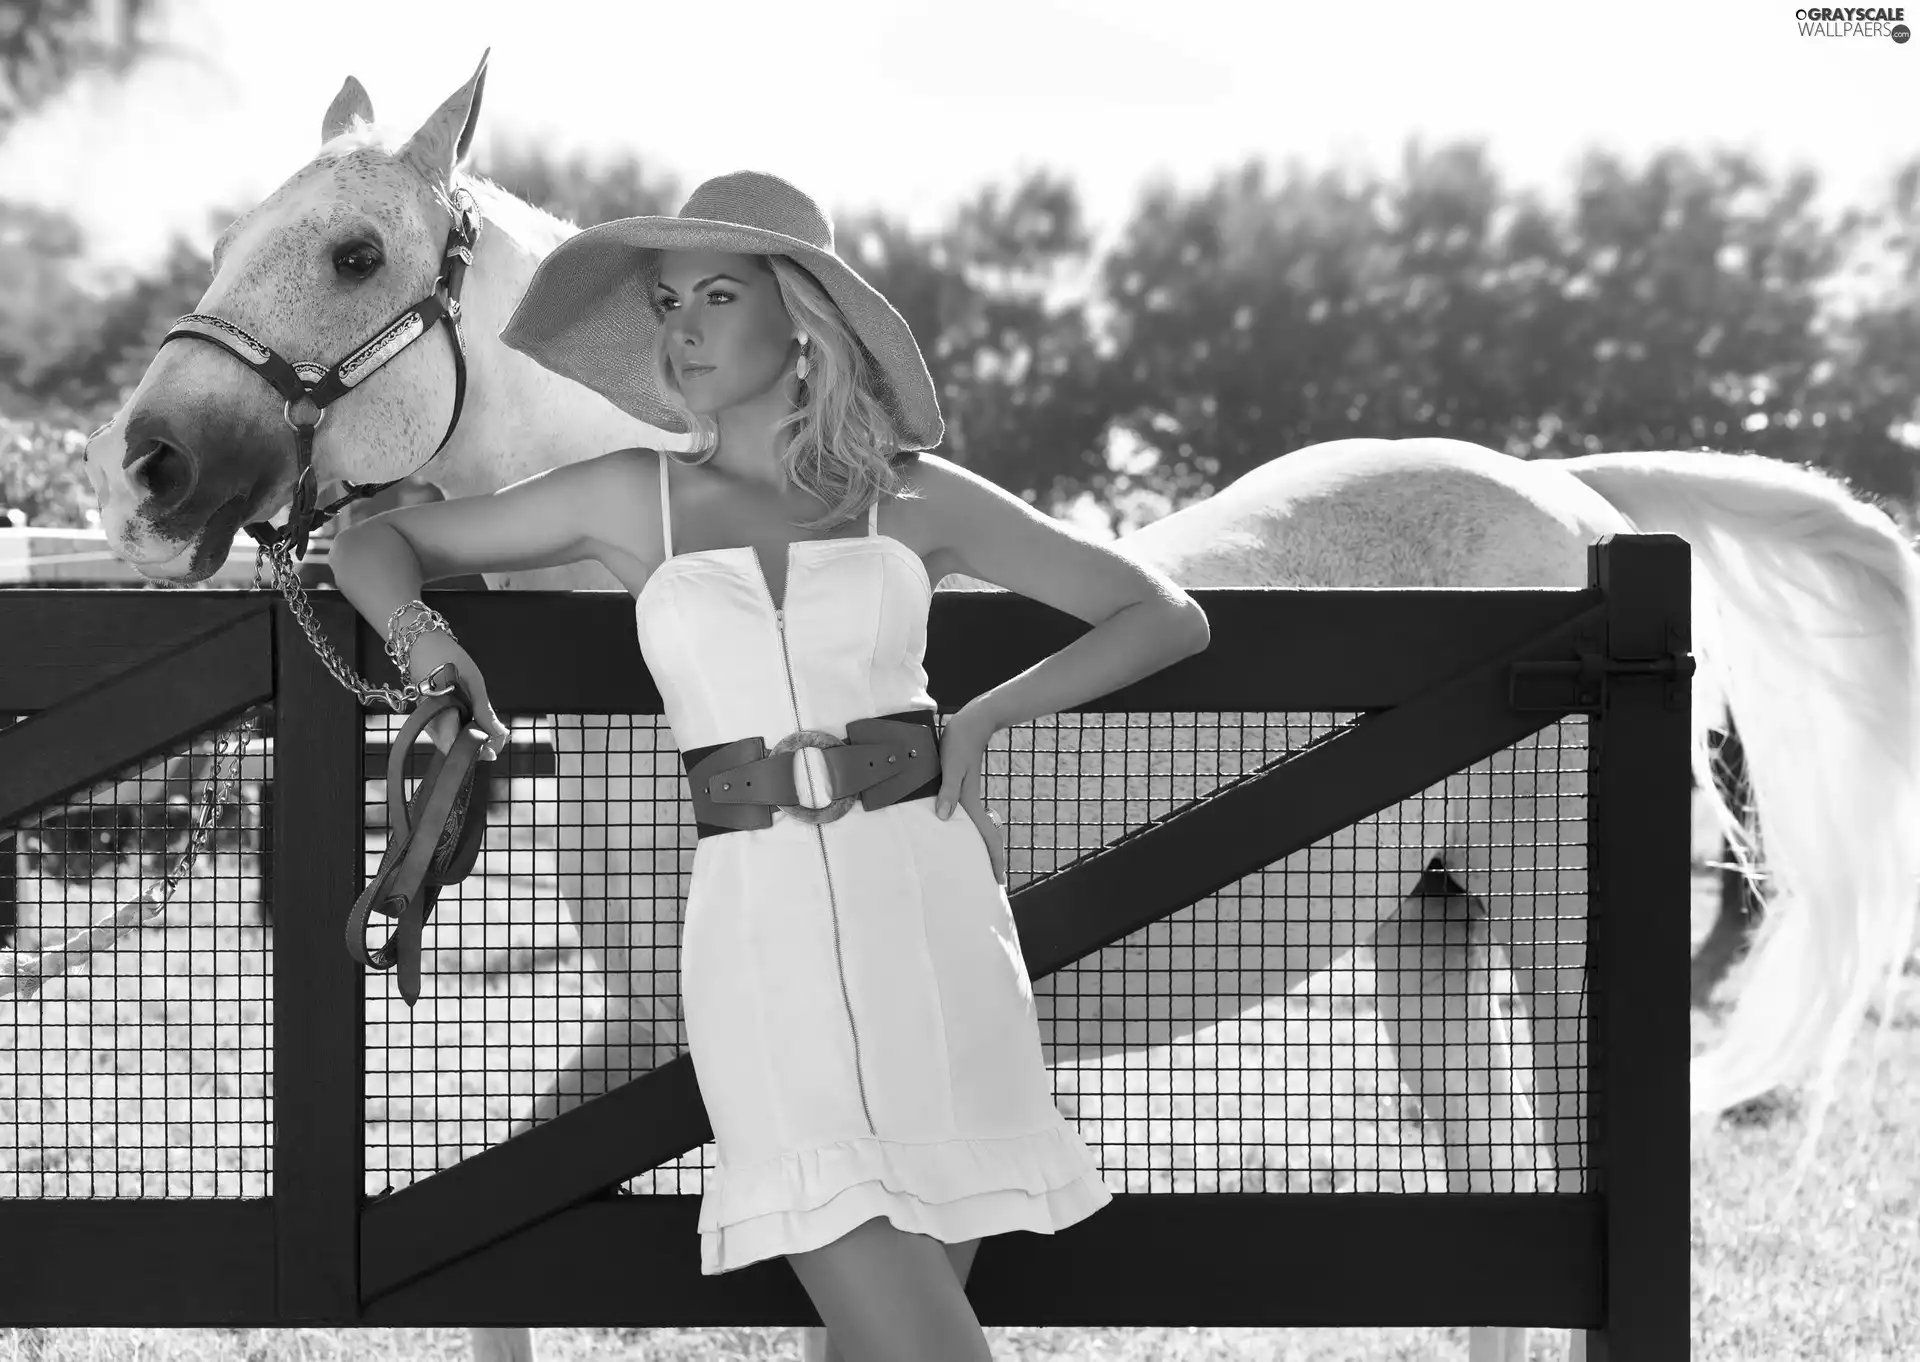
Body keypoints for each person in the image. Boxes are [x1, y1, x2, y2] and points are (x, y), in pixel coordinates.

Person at [328, 171, 1211, 1362]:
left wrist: (990, 717)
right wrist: (429, 644)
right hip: (758, 926)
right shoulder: (629, 498)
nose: (681, 327)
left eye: (718, 293)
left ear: (800, 316)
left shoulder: (911, 497)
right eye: (667, 300)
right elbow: (376, 541)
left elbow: (1159, 614)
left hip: (936, 915)